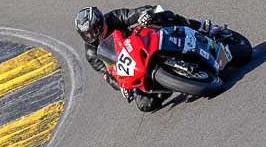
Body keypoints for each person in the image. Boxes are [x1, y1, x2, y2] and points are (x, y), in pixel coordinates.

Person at [74, 5, 224, 91]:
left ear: (101, 21)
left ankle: (201, 28)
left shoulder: (113, 17)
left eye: (95, 29)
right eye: (88, 34)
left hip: (140, 42)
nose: (94, 35)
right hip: (131, 67)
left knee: (162, 15)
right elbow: (108, 75)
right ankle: (171, 81)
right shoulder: (91, 54)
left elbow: (132, 13)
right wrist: (121, 87)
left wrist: (143, 15)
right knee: (145, 104)